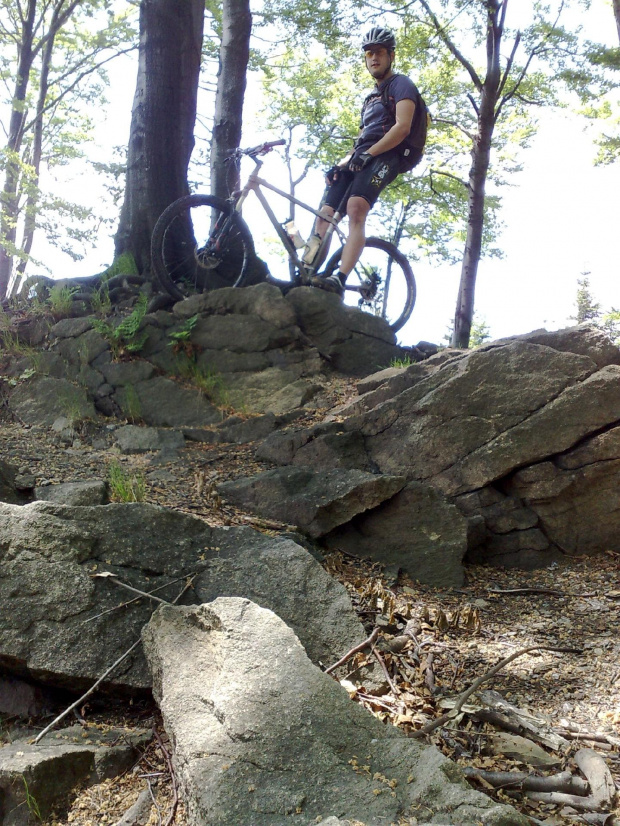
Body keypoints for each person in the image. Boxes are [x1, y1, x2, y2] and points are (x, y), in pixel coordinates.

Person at [308, 26, 422, 295]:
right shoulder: (370, 98)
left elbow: (402, 127)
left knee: (356, 208)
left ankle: (340, 279)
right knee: (324, 214)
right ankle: (308, 271)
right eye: (369, 54)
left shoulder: (401, 84)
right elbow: (360, 140)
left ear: (391, 56)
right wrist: (342, 163)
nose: (373, 58)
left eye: (379, 53)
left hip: (389, 154)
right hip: (362, 155)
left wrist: (369, 154)